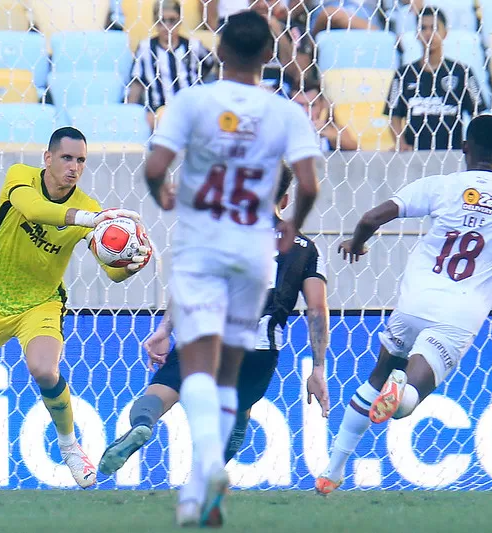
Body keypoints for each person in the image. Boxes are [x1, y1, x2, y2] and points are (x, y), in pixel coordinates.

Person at [314, 114, 492, 494]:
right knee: (408, 401)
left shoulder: (440, 186)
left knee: (374, 380)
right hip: (459, 314)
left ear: (464, 146)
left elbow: (371, 217)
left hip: (415, 301)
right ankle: (402, 394)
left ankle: (332, 469)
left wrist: (357, 243)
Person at [144, 10, 321, 527]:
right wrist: (291, 226)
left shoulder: (193, 102)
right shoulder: (285, 111)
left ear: (218, 53)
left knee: (197, 365)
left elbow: (155, 169)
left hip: (202, 249)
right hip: (253, 256)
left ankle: (206, 471)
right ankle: (199, 488)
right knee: (226, 374)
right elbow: (308, 184)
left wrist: (166, 195)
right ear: (271, 56)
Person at [0, 127, 152, 492]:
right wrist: (91, 220)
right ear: (47, 158)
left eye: (80, 161)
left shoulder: (89, 208)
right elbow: (34, 209)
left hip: (41, 301)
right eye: (66, 158)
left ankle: (69, 447)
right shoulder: (20, 178)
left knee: (44, 369)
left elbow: (111, 270)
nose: (74, 167)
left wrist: (128, 265)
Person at [98, 168, 330, 479]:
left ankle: (143, 424)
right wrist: (318, 367)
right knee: (239, 412)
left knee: (162, 390)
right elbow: (316, 308)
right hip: (260, 351)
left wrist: (165, 330)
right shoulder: (306, 248)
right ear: (285, 200)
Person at [385, 7, 485, 151]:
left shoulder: (463, 72)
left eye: (434, 28)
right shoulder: (403, 74)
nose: (428, 33)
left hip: (453, 153)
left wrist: (472, 145)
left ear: (445, 33)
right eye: (423, 28)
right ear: (417, 34)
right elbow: (393, 115)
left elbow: (478, 114)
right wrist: (400, 144)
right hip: (414, 156)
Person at [127, 0, 216, 127]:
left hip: (189, 109)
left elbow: (212, 65)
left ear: (180, 21)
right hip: (157, 112)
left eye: (172, 20)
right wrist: (131, 116)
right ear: (155, 22)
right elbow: (137, 83)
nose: (167, 26)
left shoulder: (193, 46)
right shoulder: (145, 48)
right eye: (161, 21)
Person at [291, 81, 358, 151]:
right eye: (299, 105)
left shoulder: (334, 130)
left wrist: (331, 136)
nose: (306, 111)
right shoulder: (283, 128)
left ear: (322, 105)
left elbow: (357, 150)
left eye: (312, 105)